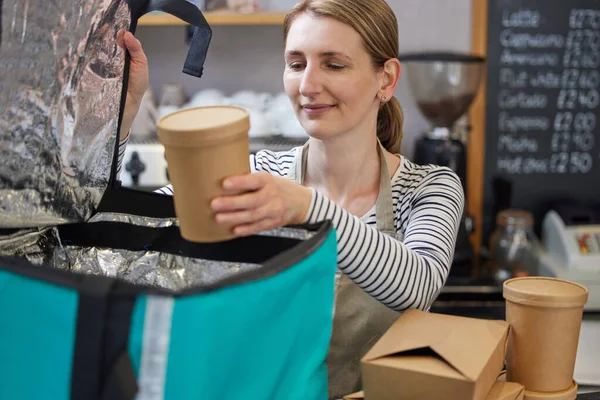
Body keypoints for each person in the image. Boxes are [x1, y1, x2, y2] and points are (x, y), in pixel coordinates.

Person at [117, 0, 464, 397]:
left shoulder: (428, 188)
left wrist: (306, 207)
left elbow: (417, 284)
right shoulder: (260, 173)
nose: (307, 85)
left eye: (334, 64)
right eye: (296, 64)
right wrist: (119, 121)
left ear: (386, 80)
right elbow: (125, 228)